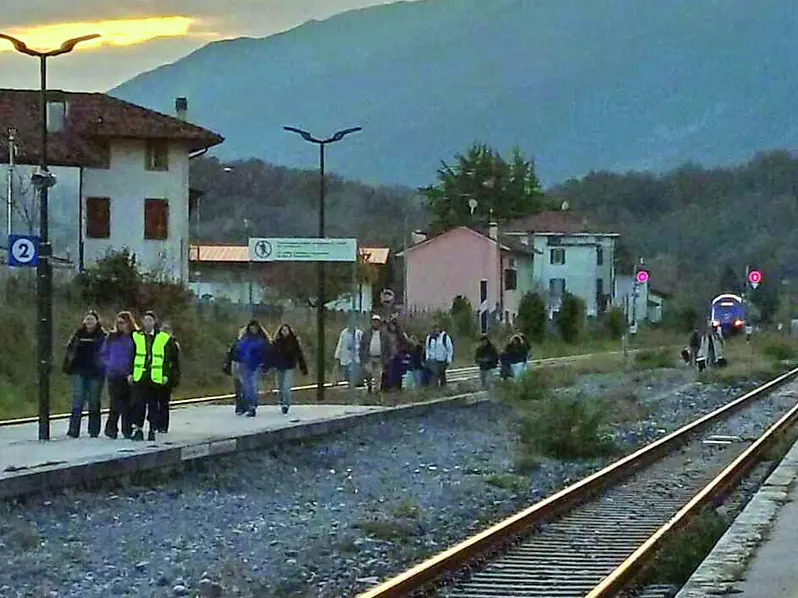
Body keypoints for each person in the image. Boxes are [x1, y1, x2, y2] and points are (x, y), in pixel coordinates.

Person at [129, 311, 179, 441]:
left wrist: (166, 375)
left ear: (154, 322)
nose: (147, 323)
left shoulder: (163, 338)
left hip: (155, 376)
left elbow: (167, 359)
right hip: (140, 375)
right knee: (138, 404)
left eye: (150, 320)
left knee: (153, 404)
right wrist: (130, 373)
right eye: (145, 320)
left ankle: (152, 429)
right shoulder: (136, 336)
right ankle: (138, 429)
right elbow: (132, 356)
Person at [62, 310, 107, 438]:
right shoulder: (78, 334)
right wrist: (69, 365)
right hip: (80, 371)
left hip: (96, 373)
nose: (89, 322)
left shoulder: (102, 335)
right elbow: (70, 350)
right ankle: (73, 430)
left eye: (91, 319)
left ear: (97, 321)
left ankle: (93, 430)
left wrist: (103, 367)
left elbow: (106, 353)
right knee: (77, 400)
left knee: (94, 401)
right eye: (87, 319)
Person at [101, 311, 137, 439]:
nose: (120, 325)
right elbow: (103, 353)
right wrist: (109, 364)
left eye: (122, 322)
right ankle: (111, 429)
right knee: (115, 403)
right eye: (118, 323)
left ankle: (127, 429)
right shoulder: (111, 337)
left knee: (128, 403)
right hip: (114, 374)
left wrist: (132, 371)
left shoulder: (135, 337)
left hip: (128, 374)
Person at [234, 320, 271, 417]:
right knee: (247, 386)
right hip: (244, 365)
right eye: (251, 328)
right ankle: (250, 405)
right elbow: (237, 351)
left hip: (256, 366)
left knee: (253, 386)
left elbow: (266, 354)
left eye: (254, 328)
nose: (253, 330)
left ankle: (252, 405)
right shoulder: (244, 340)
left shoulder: (262, 341)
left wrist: (264, 365)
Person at [272, 324, 308, 414]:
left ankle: (286, 403)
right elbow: (271, 355)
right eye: (282, 330)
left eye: (286, 330)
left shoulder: (293, 342)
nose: (284, 332)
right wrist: (268, 365)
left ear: (289, 331)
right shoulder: (276, 342)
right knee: (280, 387)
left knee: (286, 387)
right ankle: (281, 402)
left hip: (289, 366)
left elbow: (299, 355)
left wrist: (303, 367)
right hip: (279, 367)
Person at [155, 321, 181, 431]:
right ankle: (160, 424)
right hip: (158, 374)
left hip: (166, 376)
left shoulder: (172, 344)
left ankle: (162, 425)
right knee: (161, 402)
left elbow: (174, 362)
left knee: (163, 402)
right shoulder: (162, 342)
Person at [359, 314, 393, 393]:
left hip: (380, 358)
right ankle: (369, 387)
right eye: (374, 322)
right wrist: (362, 357)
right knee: (368, 373)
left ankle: (377, 391)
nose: (375, 323)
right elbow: (362, 346)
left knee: (378, 375)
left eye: (377, 322)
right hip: (369, 357)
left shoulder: (384, 334)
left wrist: (388, 358)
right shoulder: (366, 333)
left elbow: (389, 347)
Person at [334, 324, 363, 388]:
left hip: (356, 357)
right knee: (347, 372)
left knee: (354, 371)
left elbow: (362, 345)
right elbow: (340, 344)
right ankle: (351, 383)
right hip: (346, 356)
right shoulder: (344, 333)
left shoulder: (359, 333)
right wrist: (337, 356)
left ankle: (354, 384)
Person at [223, 337, 246, 415]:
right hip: (236, 364)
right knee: (238, 386)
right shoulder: (235, 344)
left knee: (244, 387)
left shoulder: (249, 343)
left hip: (246, 366)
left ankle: (244, 405)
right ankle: (240, 406)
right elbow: (229, 355)